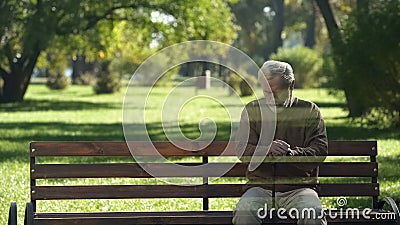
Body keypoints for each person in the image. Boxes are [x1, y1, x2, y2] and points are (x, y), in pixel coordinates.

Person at [233, 60, 328, 225]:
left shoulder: (310, 111)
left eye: (275, 92)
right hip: (259, 188)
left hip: (299, 189)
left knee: (313, 214)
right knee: (244, 213)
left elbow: (319, 151)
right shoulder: (253, 110)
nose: (270, 97)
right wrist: (266, 149)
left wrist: (290, 153)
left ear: (291, 84)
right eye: (265, 92)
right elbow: (242, 150)